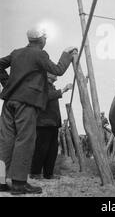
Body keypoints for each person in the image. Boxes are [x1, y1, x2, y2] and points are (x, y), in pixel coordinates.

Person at [0, 27, 76, 194]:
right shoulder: (40, 54)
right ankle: (19, 184)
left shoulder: (16, 53)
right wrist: (66, 54)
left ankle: (1, 182)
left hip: (9, 102)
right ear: (42, 40)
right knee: (25, 140)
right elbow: (58, 70)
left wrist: (7, 84)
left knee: (6, 140)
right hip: (26, 103)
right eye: (45, 38)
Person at [30, 73, 72, 180]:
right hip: (44, 123)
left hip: (53, 124)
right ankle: (35, 173)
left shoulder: (51, 87)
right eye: (53, 73)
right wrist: (63, 90)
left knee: (52, 150)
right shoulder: (42, 84)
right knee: (41, 149)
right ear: (48, 75)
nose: (56, 74)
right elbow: (47, 96)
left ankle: (48, 174)